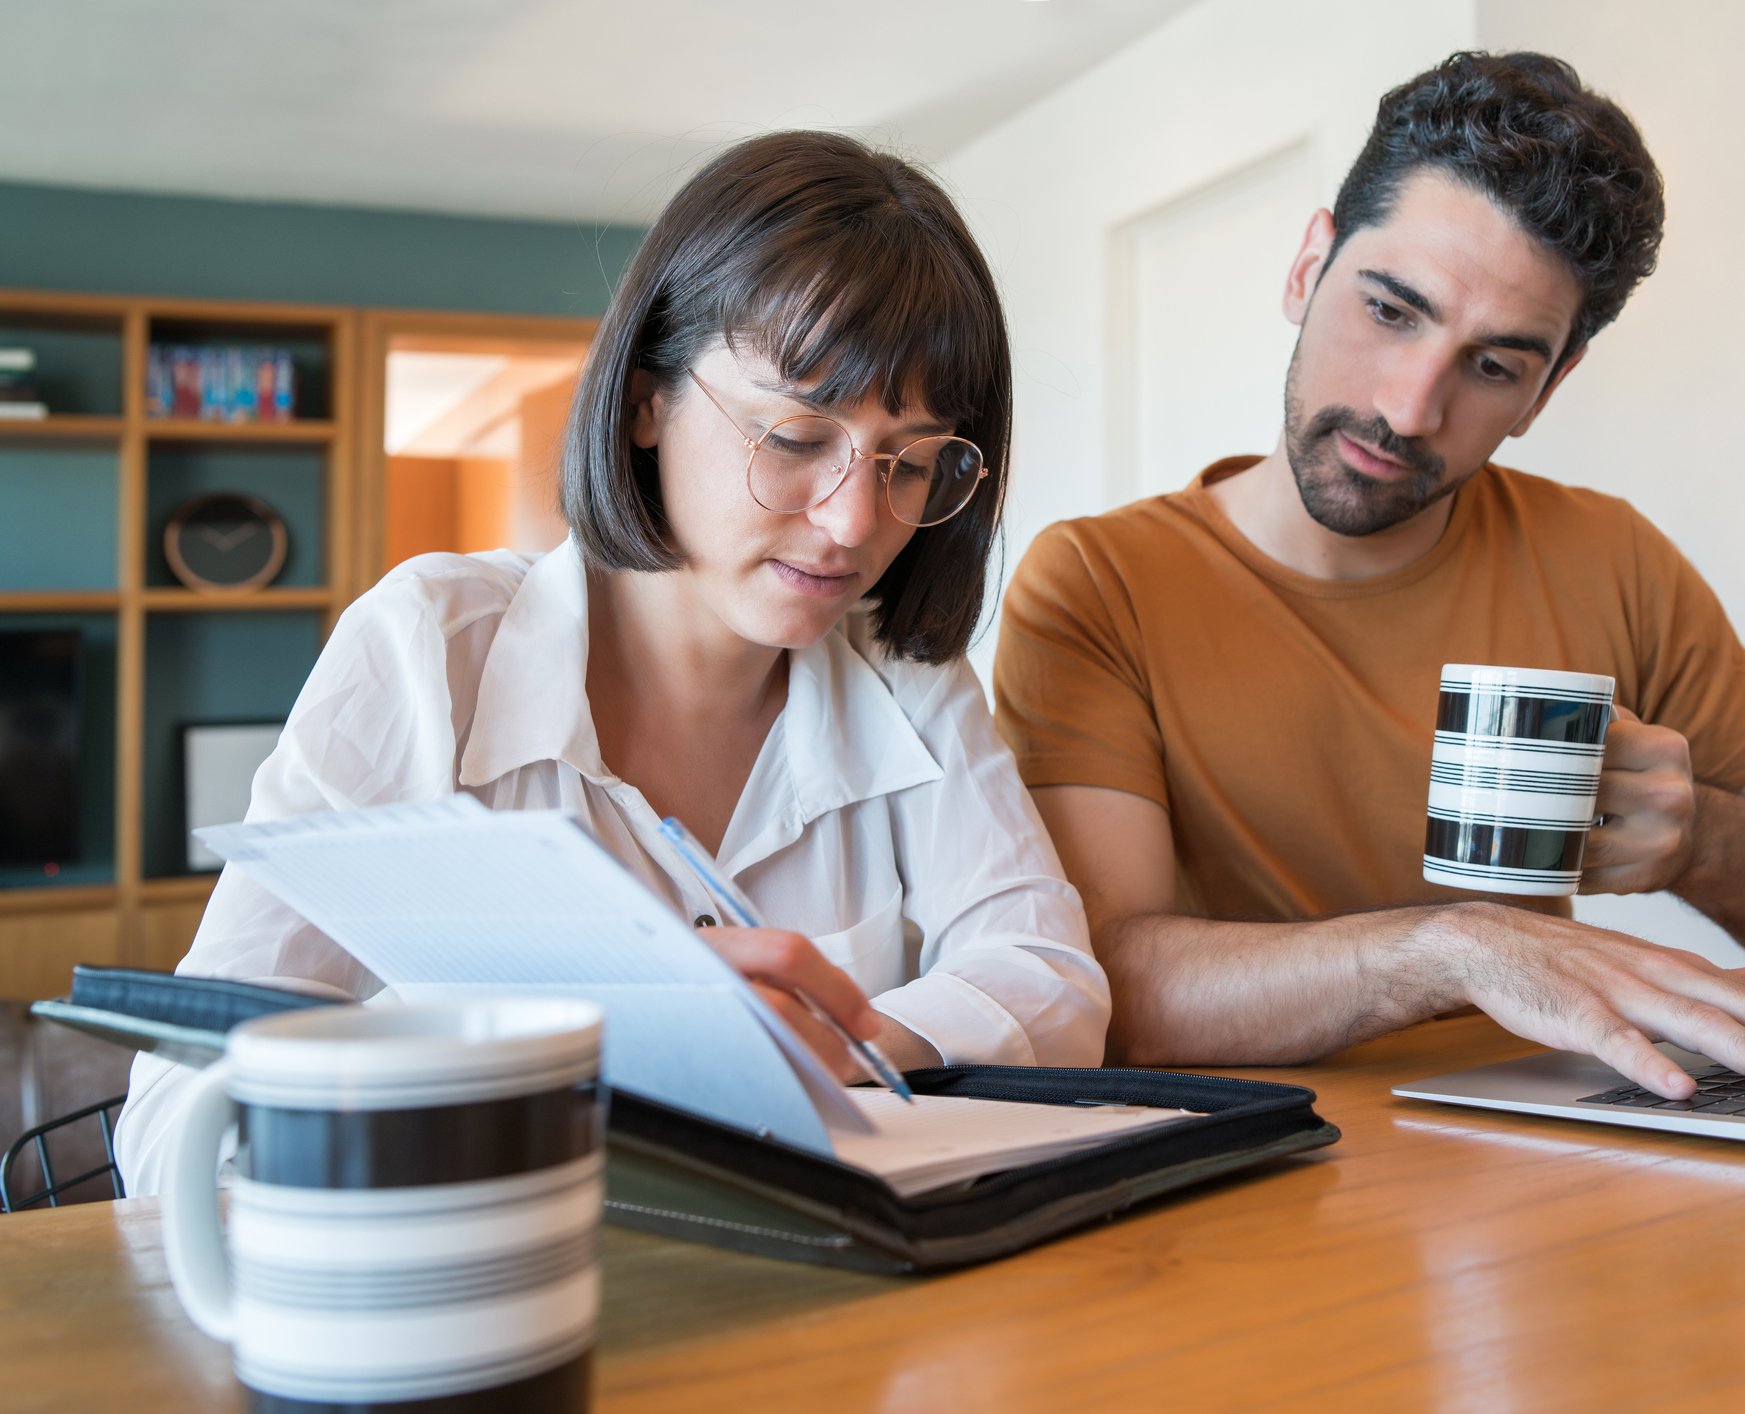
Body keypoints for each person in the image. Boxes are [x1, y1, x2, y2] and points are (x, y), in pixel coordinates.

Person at [117, 131, 1109, 1193]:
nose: (853, 520)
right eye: (792, 436)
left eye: (907, 461)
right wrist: (583, 1036)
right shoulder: (426, 650)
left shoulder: (906, 677)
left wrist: (845, 1035)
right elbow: (173, 1119)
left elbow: (1051, 981)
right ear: (645, 400)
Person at [994, 53, 1745, 1099]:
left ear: (1547, 388)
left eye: (1492, 366)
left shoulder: (1608, 557)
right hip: (1259, 1179)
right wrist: (1453, 951)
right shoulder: (1099, 582)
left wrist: (1701, 842)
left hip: (1554, 1155)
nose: (1408, 408)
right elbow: (1100, 984)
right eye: (1390, 310)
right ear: (1307, 265)